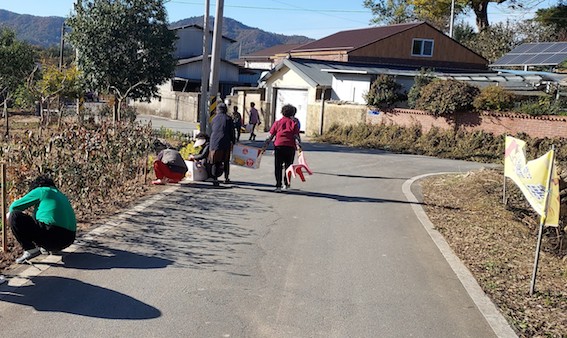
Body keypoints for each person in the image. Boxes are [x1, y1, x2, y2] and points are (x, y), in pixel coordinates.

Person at [7, 175, 77, 264]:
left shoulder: (42, 190)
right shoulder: (60, 194)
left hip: (51, 235)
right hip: (69, 239)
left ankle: (31, 249)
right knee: (44, 220)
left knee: (14, 216)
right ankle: (50, 249)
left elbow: (14, 207)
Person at [262, 104, 301, 192]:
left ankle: (278, 185)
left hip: (279, 146)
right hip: (290, 147)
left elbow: (270, 136)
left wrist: (265, 146)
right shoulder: (294, 123)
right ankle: (286, 184)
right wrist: (299, 147)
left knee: (278, 166)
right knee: (288, 166)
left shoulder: (277, 122)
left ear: (282, 112)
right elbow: (296, 137)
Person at [209, 102, 236, 185]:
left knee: (215, 161)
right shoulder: (229, 119)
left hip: (214, 143)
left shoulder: (214, 119)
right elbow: (232, 132)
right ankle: (226, 178)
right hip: (225, 143)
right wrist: (233, 142)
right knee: (226, 161)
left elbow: (211, 130)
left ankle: (215, 179)